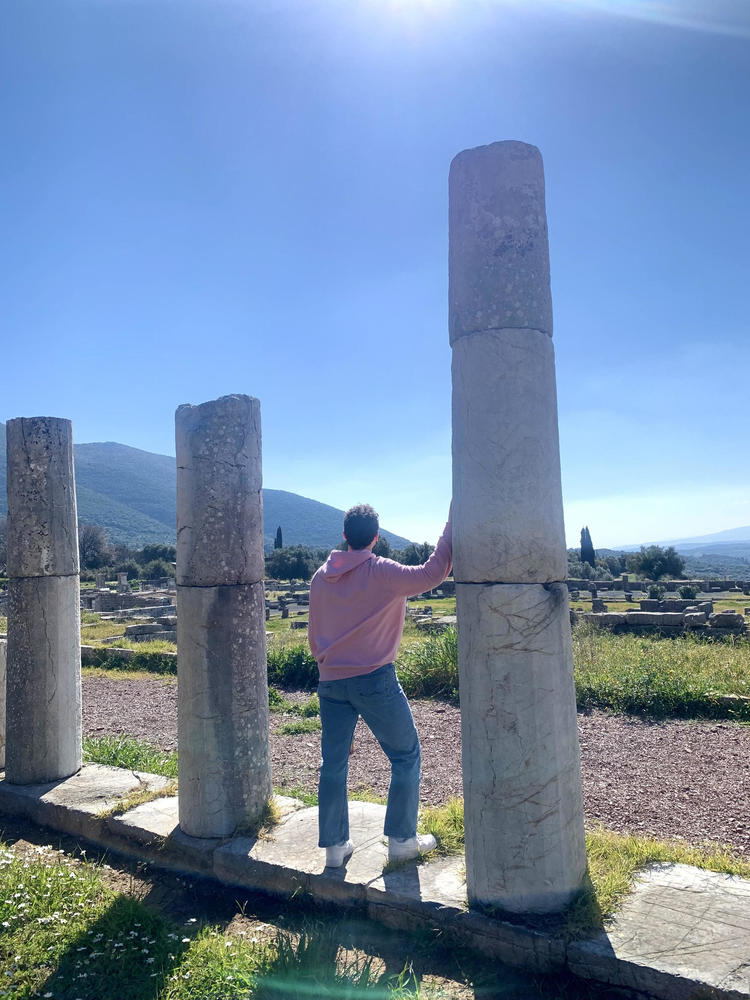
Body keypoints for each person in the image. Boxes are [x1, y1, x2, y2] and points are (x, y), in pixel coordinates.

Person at [308, 503, 452, 868]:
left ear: (344, 535)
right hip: (374, 679)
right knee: (406, 755)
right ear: (376, 536)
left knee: (334, 764)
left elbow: (314, 636)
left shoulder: (319, 578)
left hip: (330, 682)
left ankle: (335, 849)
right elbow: (432, 572)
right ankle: (403, 839)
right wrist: (451, 524)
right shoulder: (380, 570)